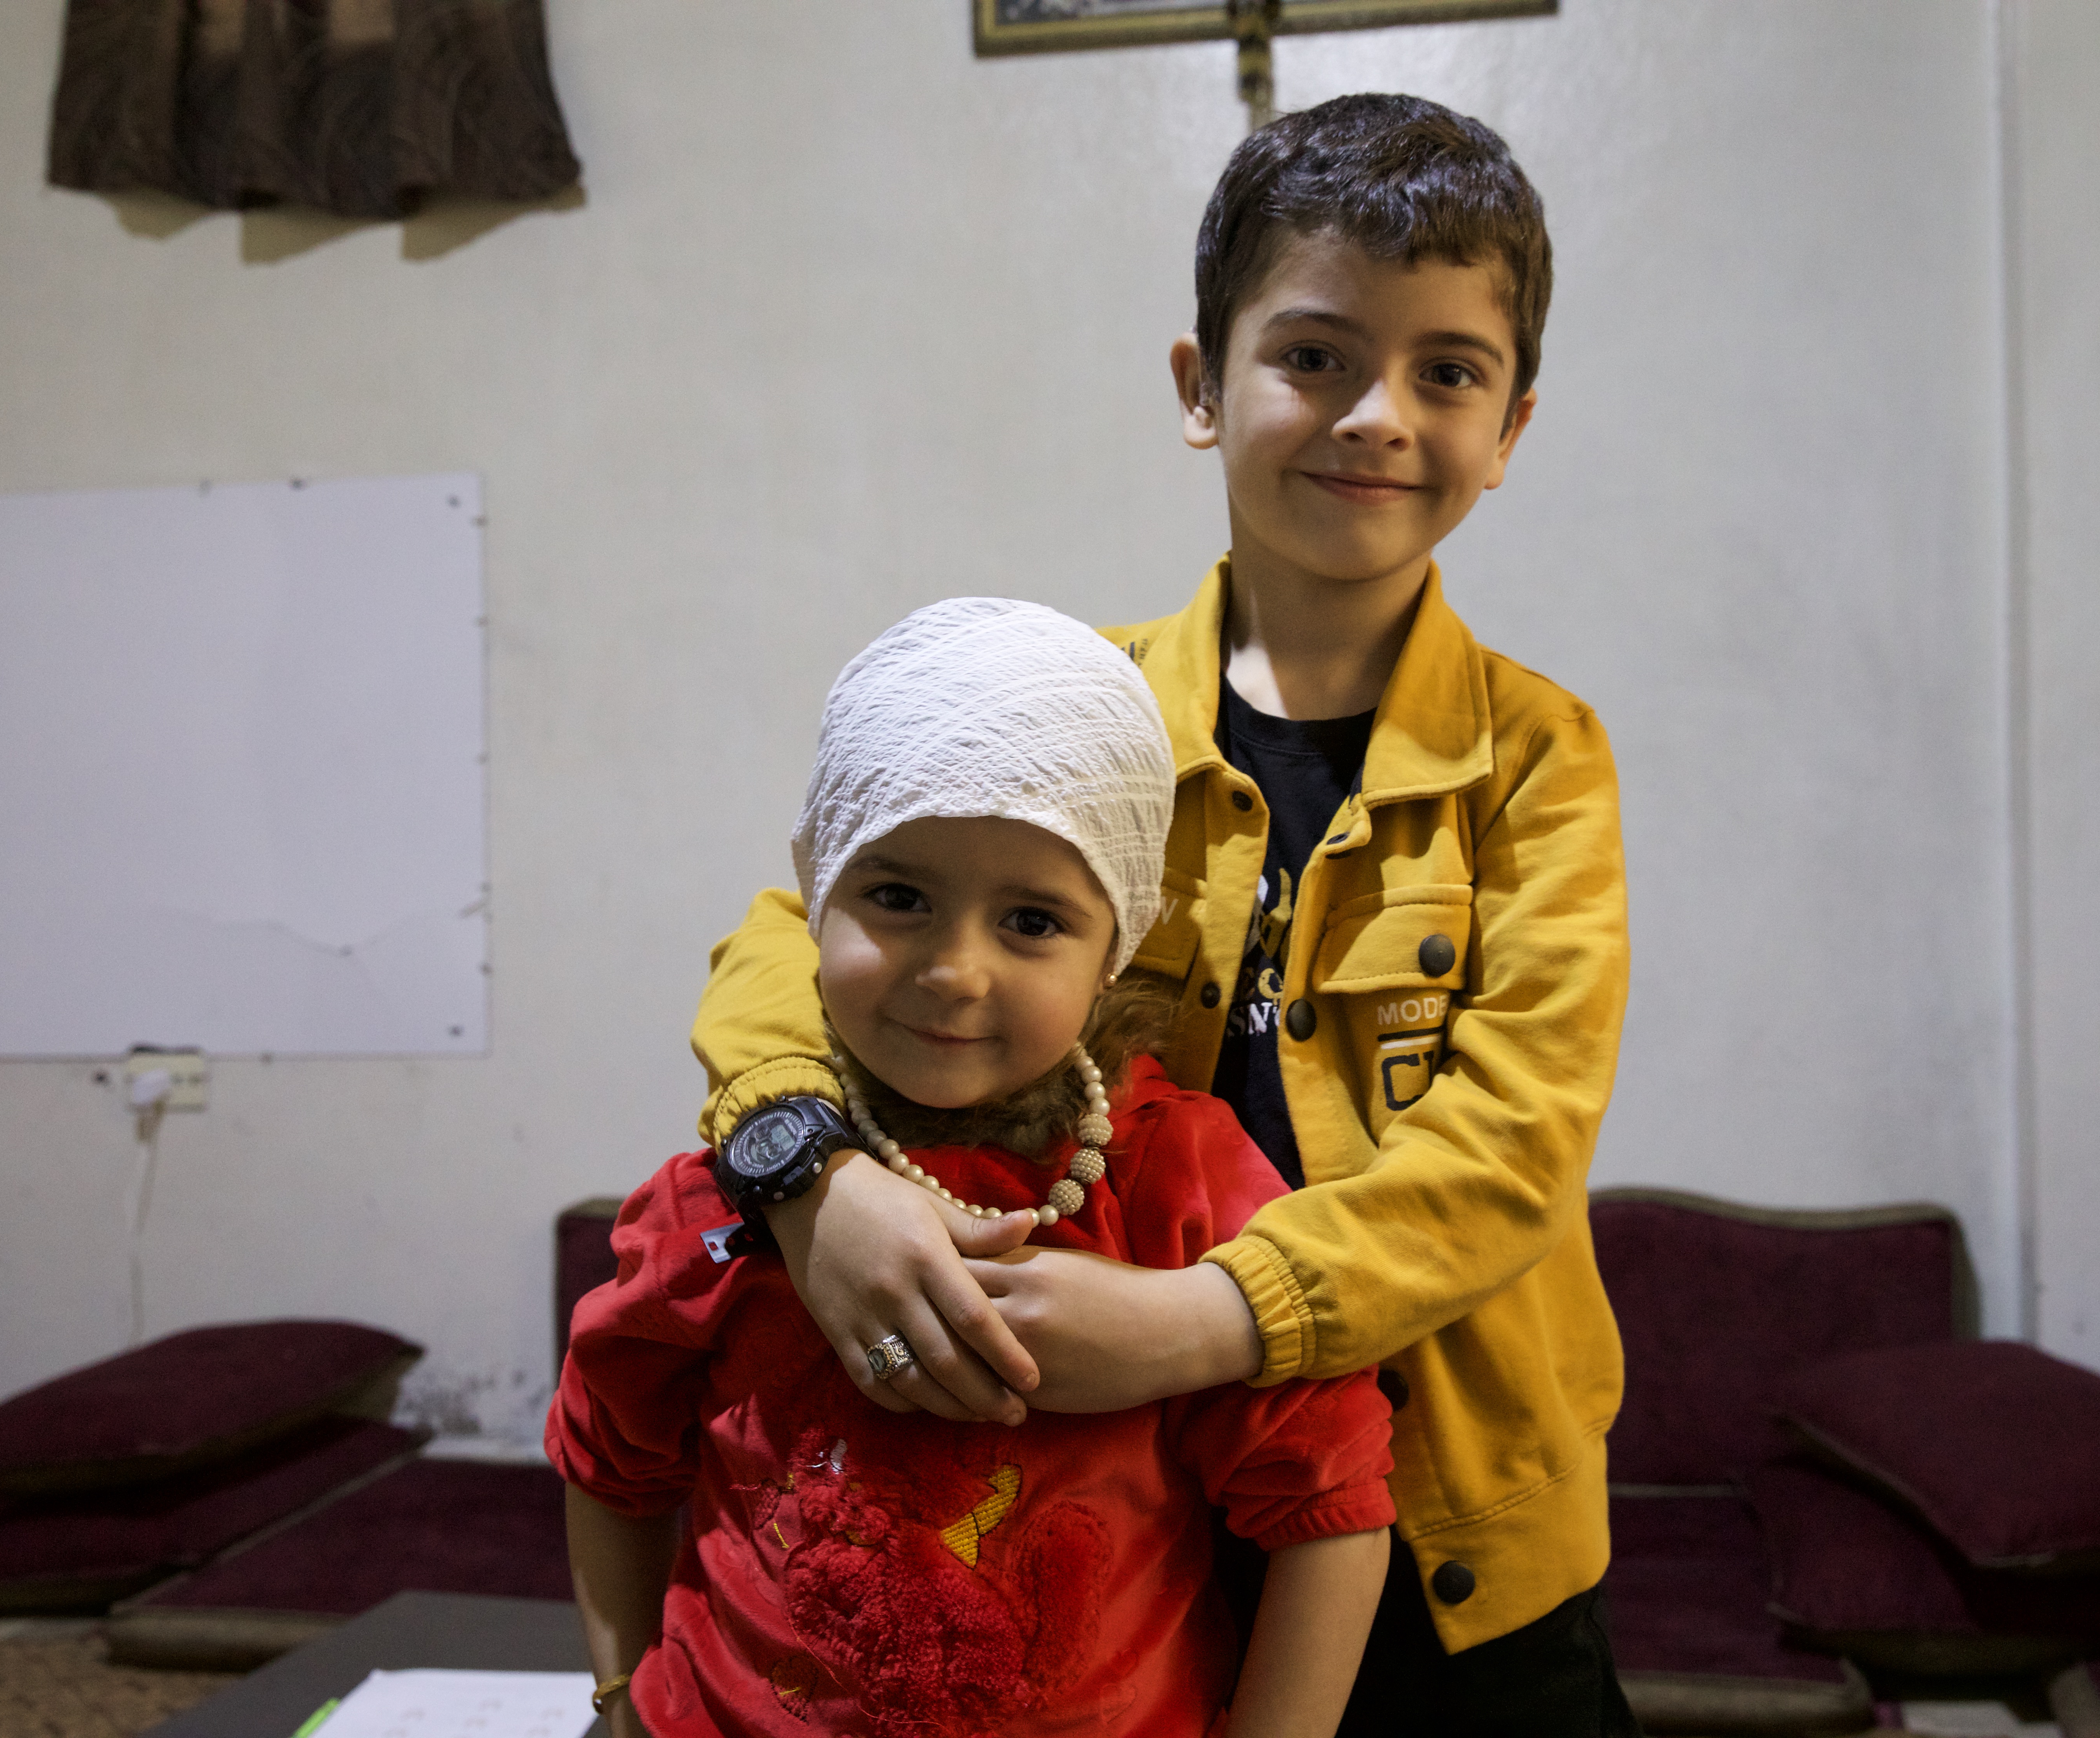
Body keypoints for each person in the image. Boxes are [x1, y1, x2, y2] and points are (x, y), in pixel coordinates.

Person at [687, 94, 1638, 1736]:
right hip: (1129, 1513)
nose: (1379, 418)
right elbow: (797, 930)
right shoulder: (1078, 702)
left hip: (1457, 1539)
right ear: (1203, 389)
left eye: (1448, 372)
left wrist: (1203, 1320)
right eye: (1317, 357)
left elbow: (1509, 1155)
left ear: (1513, 428)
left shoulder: (1540, 761)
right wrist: (806, 1174)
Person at [550, 599, 1396, 1738]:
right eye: (897, 898)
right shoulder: (736, 1190)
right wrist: (616, 1698)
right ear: (818, 892)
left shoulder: (1179, 1186)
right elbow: (611, 1455)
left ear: (1120, 948)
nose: (954, 971)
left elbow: (1330, 1506)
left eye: (1034, 921)